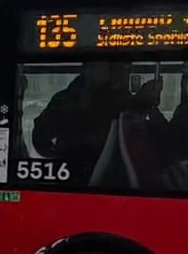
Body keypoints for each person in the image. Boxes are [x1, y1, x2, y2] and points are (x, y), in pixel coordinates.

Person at [32, 63, 168, 185]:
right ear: (87, 68)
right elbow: (40, 137)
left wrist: (144, 102)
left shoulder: (119, 99)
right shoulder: (65, 101)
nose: (113, 72)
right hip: (73, 179)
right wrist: (61, 157)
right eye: (106, 66)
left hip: (110, 181)